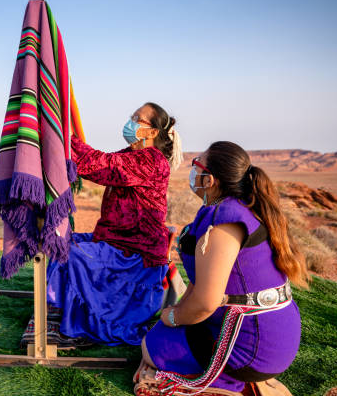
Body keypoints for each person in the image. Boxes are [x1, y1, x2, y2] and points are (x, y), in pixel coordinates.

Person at [134, 141, 309, 395]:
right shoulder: (241, 207)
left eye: (197, 165)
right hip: (271, 333)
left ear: (210, 180)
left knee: (151, 346)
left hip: (255, 347)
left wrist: (172, 317)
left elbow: (206, 302)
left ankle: (226, 379)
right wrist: (180, 311)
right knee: (171, 328)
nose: (193, 172)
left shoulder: (225, 221)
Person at [45, 102, 184, 346]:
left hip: (134, 253)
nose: (130, 121)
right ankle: (57, 313)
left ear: (152, 132)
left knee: (70, 253)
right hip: (116, 239)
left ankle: (64, 321)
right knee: (59, 240)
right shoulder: (131, 155)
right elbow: (96, 162)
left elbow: (99, 165)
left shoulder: (151, 160)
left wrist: (59, 134)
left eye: (137, 118)